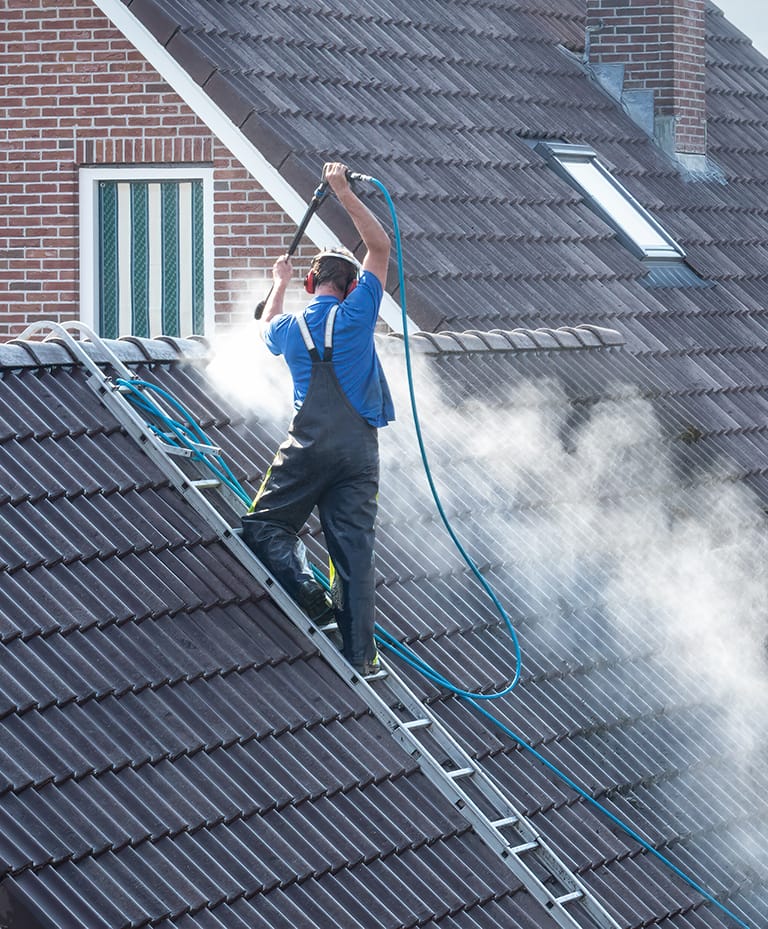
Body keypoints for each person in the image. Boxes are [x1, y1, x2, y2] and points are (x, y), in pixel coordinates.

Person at [242, 161, 394, 676]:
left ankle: (306, 590)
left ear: (312, 283)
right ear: (353, 288)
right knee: (353, 554)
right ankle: (362, 657)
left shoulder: (288, 328)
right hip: (358, 453)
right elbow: (380, 247)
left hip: (306, 448)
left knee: (265, 526)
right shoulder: (358, 314)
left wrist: (277, 282)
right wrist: (342, 192)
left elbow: (264, 324)